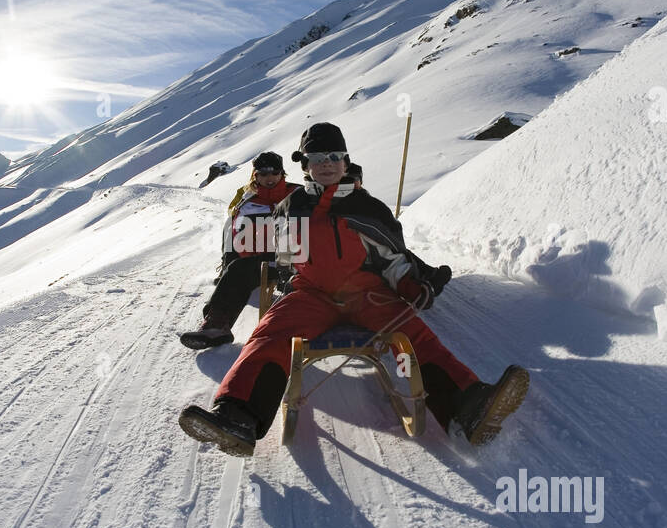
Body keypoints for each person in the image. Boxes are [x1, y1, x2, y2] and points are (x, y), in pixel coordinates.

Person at [179, 122, 529, 456]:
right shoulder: (291, 207)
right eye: (317, 159)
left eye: (333, 157)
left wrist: (410, 284)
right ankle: (236, 415)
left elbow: (393, 257)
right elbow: (288, 258)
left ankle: (467, 408)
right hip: (311, 292)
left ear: (345, 160)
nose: (326, 164)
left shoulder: (367, 206)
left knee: (414, 335)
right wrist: (289, 281)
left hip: (366, 293)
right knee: (269, 334)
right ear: (305, 166)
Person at [180, 151, 294, 349]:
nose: (269, 178)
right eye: (263, 173)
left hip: (297, 259)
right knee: (238, 267)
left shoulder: (297, 194)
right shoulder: (248, 201)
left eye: (274, 172)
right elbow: (237, 235)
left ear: (282, 173)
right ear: (255, 175)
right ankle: (217, 325)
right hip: (263, 257)